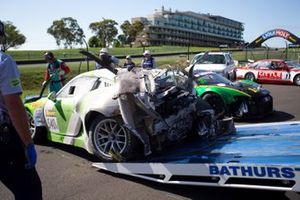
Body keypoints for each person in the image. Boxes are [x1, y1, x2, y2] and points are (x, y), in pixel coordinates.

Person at [0, 20, 42, 200]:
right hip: (4, 141)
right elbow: (14, 105)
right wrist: (28, 143)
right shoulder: (4, 60)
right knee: (29, 191)